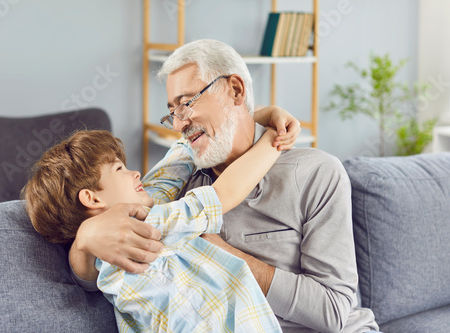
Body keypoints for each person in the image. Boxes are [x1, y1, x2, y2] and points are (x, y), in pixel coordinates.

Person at [70, 39, 381, 332]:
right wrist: (85, 238)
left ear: (235, 91)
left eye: (187, 103)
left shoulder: (315, 173)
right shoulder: (177, 184)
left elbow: (334, 312)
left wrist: (222, 255)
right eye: (172, 112)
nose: (179, 124)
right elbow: (99, 277)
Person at [22, 127, 290, 332]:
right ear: (92, 198)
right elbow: (224, 194)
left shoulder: (110, 252)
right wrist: (273, 138)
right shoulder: (147, 226)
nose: (136, 173)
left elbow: (179, 159)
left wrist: (247, 115)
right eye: (119, 169)